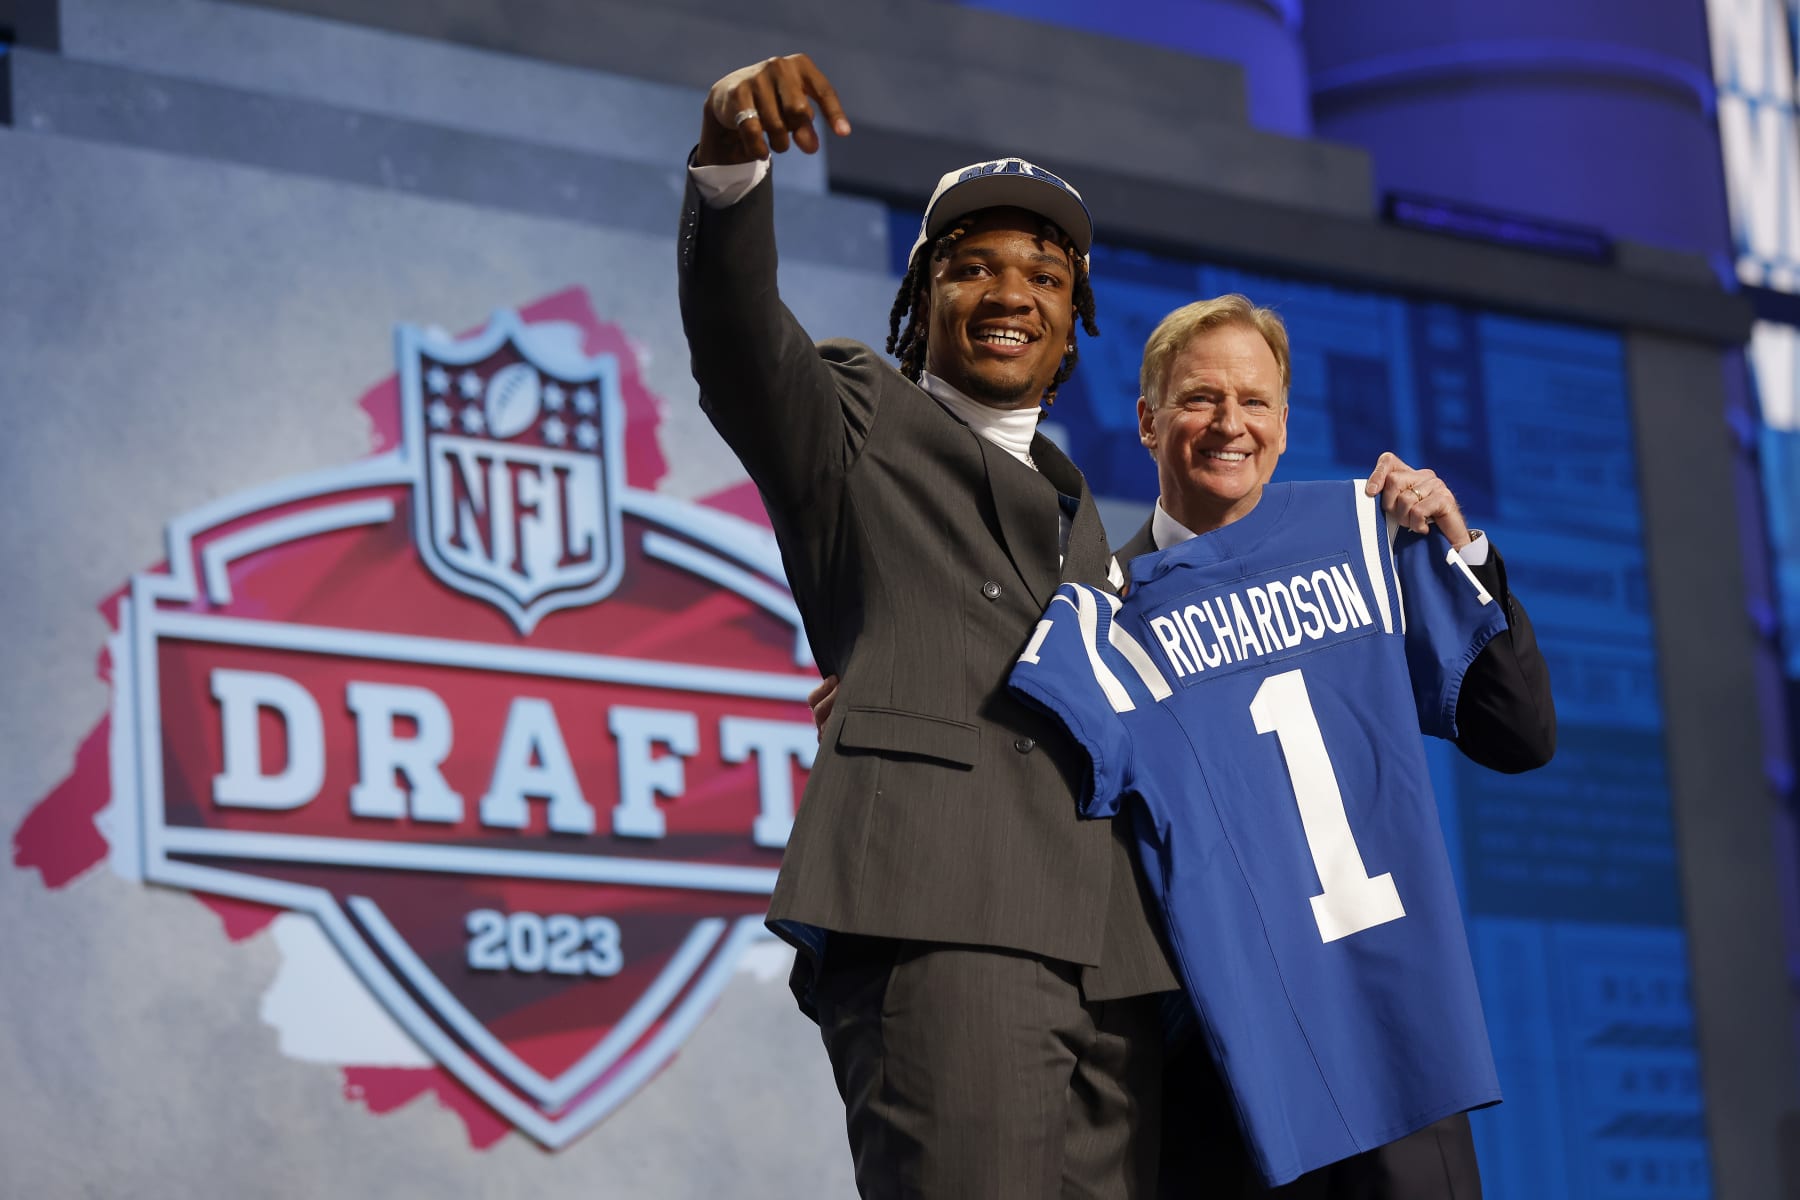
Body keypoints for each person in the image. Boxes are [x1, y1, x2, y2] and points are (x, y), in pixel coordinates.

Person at [678, 53, 1180, 1197]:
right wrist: (728, 158)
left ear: (1073, 323)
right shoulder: (856, 415)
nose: (1011, 294)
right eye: (972, 268)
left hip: (1106, 961)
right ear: (922, 299)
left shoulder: (1081, 508)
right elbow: (737, 333)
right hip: (941, 913)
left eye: (1045, 277)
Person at [1120, 295, 1555, 1198]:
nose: (1230, 424)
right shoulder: (1103, 610)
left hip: (1397, 1051)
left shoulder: (1363, 549)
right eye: (1201, 399)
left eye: (1256, 402)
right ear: (1148, 420)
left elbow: (1518, 734)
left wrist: (1455, 544)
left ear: (1284, 427)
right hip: (1220, 1087)